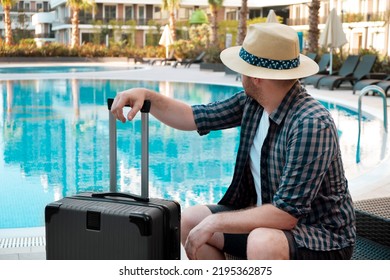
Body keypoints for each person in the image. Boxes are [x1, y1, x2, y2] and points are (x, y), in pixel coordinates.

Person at [110, 23, 356, 260]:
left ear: (257, 77)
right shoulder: (254, 104)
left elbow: (286, 215)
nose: (239, 74)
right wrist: (146, 96)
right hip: (269, 224)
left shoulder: (311, 123)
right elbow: (193, 116)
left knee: (262, 240)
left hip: (321, 238)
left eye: (243, 67)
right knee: (190, 221)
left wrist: (216, 221)